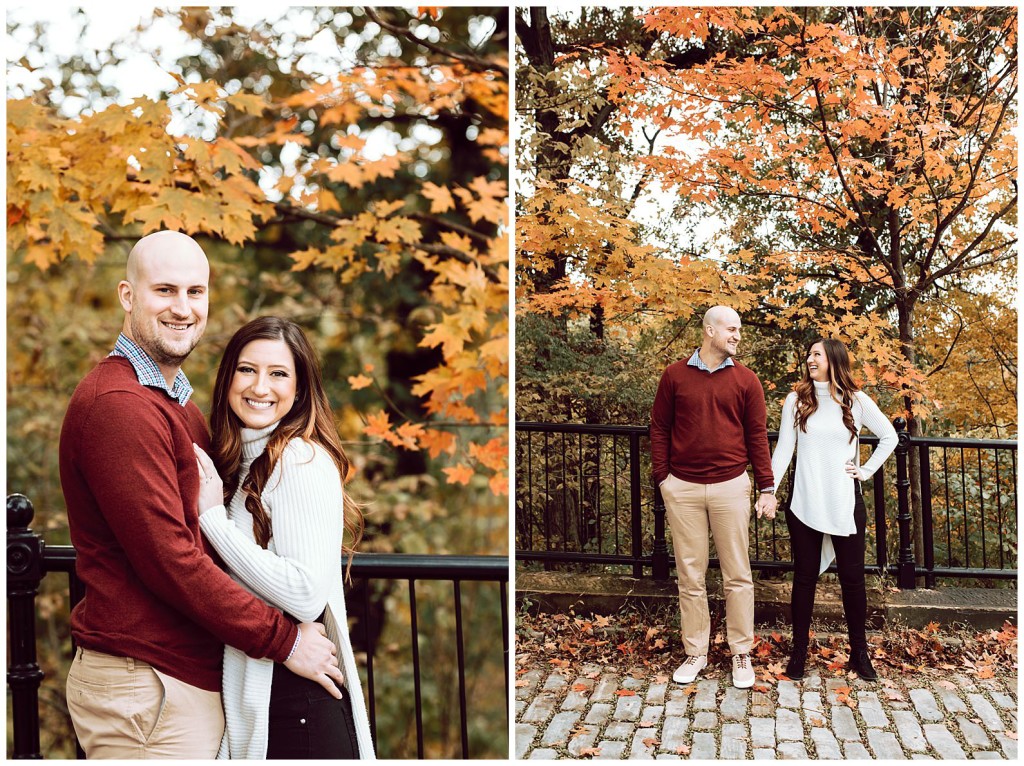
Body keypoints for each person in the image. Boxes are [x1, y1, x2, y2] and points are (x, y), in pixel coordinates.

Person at [59, 231, 343, 759]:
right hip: (144, 682)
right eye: (164, 290)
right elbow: (171, 559)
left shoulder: (177, 406)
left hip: (177, 680)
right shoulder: (119, 406)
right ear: (127, 295)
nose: (182, 308)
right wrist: (283, 640)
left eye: (196, 292)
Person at [192, 316, 375, 759]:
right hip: (271, 685)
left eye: (278, 374)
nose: (260, 387)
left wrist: (212, 520)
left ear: (299, 389)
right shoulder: (240, 462)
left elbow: (306, 594)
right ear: (227, 377)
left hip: (299, 703)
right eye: (247, 369)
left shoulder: (299, 458)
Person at [650, 306, 777, 689]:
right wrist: (663, 479)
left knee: (737, 574)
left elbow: (757, 436)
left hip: (731, 486)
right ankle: (697, 651)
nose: (737, 335)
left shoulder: (747, 380)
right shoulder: (674, 375)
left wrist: (766, 486)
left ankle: (740, 653)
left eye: (739, 329)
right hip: (682, 488)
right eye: (731, 329)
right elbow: (659, 427)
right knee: (690, 575)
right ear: (709, 330)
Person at [769, 338, 897, 681]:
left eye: (817, 354)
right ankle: (798, 654)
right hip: (805, 502)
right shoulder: (796, 400)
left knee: (853, 580)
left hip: (845, 501)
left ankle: (860, 653)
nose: (810, 359)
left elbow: (890, 437)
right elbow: (783, 450)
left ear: (833, 360)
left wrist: (866, 471)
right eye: (808, 354)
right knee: (805, 577)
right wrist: (769, 490)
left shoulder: (856, 401)